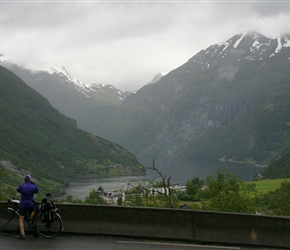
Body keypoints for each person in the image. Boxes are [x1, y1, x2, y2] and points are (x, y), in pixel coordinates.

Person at [16, 174, 39, 240]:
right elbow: (37, 190)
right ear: (30, 179)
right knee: (33, 219)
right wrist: (33, 183)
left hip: (23, 205)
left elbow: (18, 190)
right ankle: (36, 232)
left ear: (25, 180)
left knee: (21, 219)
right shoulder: (33, 186)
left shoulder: (22, 186)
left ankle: (22, 234)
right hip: (31, 204)